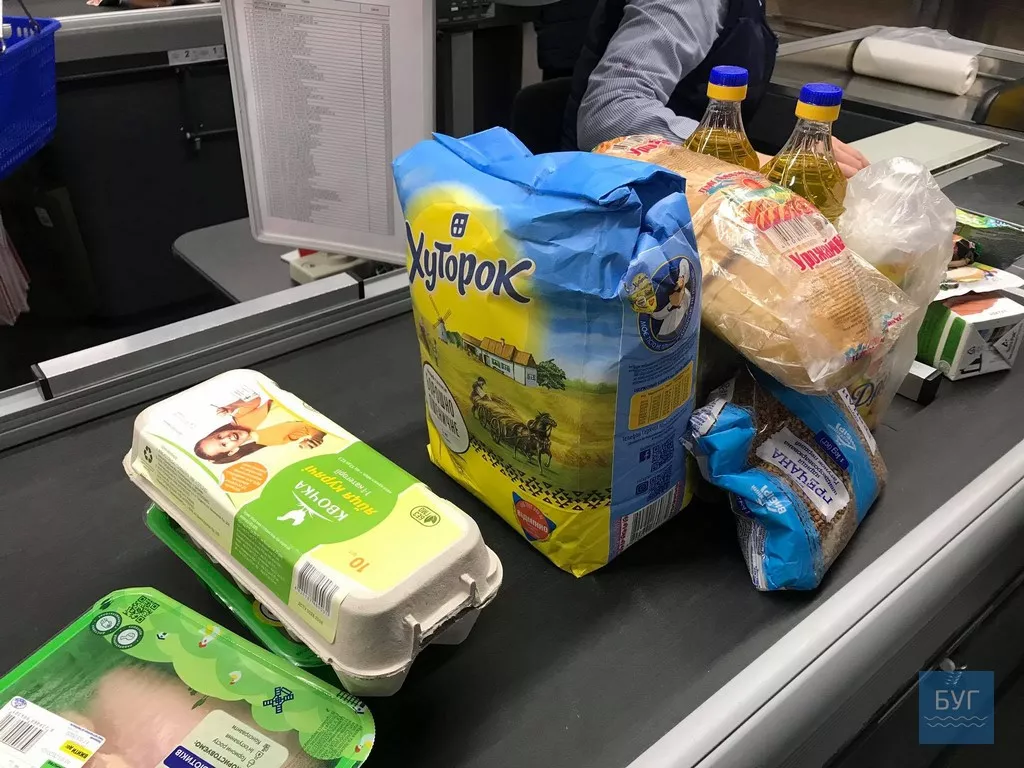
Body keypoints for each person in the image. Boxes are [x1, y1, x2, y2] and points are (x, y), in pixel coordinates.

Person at [562, 0, 869, 178]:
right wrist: (755, 162)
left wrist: (793, 143)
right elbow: (610, 112)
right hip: (614, 203)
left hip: (690, 191)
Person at [194, 396, 325, 464]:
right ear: (232, 451)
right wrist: (316, 438)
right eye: (224, 444)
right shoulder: (270, 441)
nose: (227, 438)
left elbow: (256, 399)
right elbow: (311, 429)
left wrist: (232, 406)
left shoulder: (240, 419)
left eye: (219, 436)